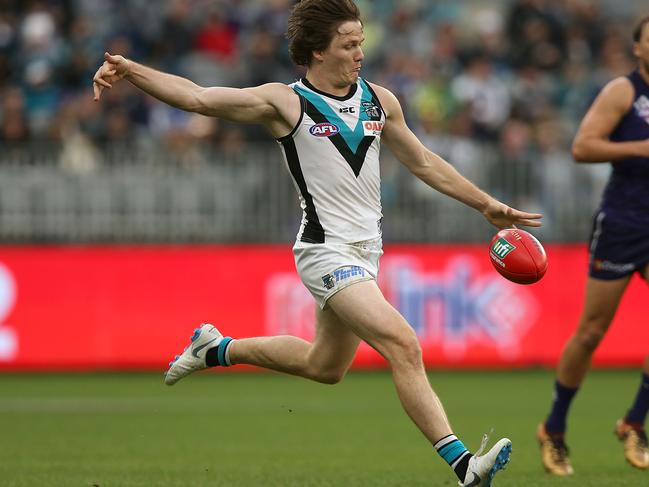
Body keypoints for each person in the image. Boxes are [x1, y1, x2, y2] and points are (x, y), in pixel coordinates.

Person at [93, 1, 542, 485]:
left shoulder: (380, 100)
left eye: (361, 43)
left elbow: (424, 163)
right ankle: (463, 467)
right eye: (348, 45)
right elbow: (199, 97)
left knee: (324, 366)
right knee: (403, 344)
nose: (359, 54)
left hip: (366, 253)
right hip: (323, 251)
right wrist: (131, 69)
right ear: (316, 52)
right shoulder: (285, 102)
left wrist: (484, 204)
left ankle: (216, 348)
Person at [537, 16, 649, 476]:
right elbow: (583, 147)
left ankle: (634, 422)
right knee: (591, 332)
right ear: (638, 47)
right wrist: (642, 148)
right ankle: (555, 428)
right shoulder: (624, 91)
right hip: (623, 222)